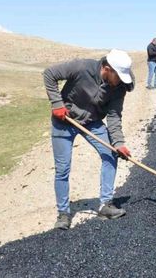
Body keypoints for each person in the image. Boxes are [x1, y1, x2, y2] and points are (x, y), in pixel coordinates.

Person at [43, 50, 135, 230]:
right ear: (107, 69)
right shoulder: (82, 67)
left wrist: (119, 143)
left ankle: (105, 205)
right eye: (118, 76)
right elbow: (49, 74)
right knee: (63, 168)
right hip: (65, 120)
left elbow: (114, 116)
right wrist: (57, 104)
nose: (120, 81)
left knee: (110, 154)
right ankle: (63, 214)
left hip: (92, 122)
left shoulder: (119, 87)